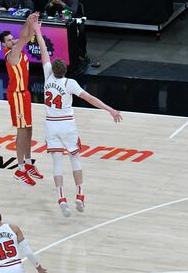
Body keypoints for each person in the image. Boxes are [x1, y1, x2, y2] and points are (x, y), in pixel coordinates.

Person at [34, 21, 122, 217]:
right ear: (65, 70)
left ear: (53, 69)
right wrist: (110, 109)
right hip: (66, 124)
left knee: (57, 162)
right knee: (75, 158)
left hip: (50, 124)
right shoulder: (70, 83)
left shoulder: (48, 76)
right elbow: (90, 99)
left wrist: (37, 30)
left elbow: (43, 50)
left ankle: (61, 199)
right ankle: (80, 195)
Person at [0, 13, 43, 186]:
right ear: (4, 44)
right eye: (9, 40)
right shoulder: (11, 54)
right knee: (22, 132)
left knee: (29, 130)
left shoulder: (17, 47)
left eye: (12, 38)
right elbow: (25, 37)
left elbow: (24, 36)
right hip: (16, 95)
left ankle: (27, 163)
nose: (13, 41)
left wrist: (29, 23)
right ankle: (19, 169)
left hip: (25, 94)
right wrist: (29, 23)